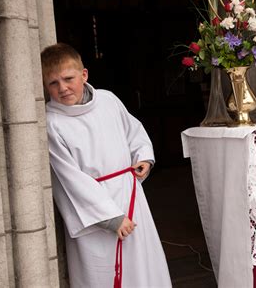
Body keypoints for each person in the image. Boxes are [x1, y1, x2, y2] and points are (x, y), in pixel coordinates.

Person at [41, 43, 172, 288]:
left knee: (144, 270)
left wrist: (143, 156)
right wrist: (111, 218)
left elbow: (133, 131)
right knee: (104, 275)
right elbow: (70, 180)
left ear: (84, 75)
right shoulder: (53, 123)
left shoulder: (108, 100)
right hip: (96, 214)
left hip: (131, 196)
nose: (63, 88)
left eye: (68, 79)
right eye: (53, 83)